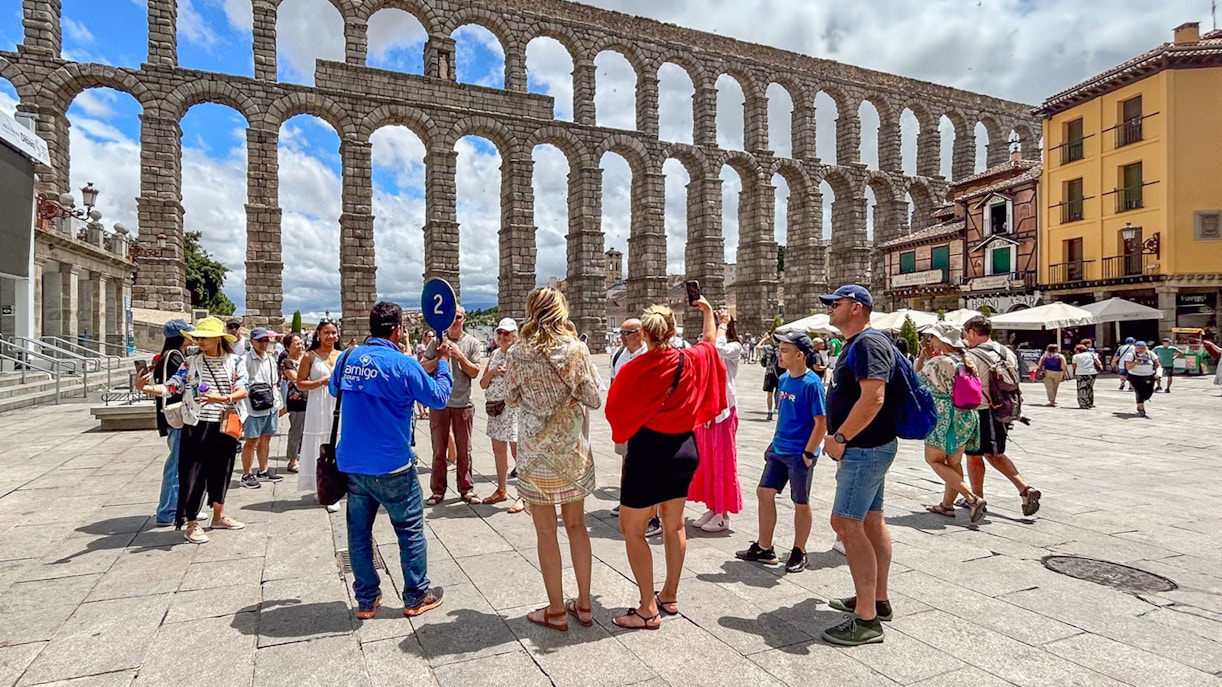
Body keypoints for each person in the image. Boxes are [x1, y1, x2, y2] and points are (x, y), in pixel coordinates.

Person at [605, 297, 725, 630]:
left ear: (643, 333)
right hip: (684, 448)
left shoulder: (635, 368)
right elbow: (710, 343)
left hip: (648, 451)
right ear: (672, 331)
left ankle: (646, 608)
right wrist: (708, 313)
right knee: (675, 525)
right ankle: (669, 594)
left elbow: (615, 410)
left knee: (632, 529)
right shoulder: (691, 359)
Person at [331, 302, 452, 619]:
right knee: (409, 530)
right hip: (392, 464)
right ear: (398, 330)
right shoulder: (402, 364)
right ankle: (415, 595)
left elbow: (334, 391)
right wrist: (444, 364)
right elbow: (438, 397)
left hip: (353, 464)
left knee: (358, 535)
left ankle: (367, 601)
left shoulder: (347, 359)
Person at [503, 287, 603, 631]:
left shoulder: (516, 352)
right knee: (576, 526)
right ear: (561, 311)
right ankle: (586, 605)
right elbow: (593, 398)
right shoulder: (577, 349)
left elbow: (511, 398)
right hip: (571, 451)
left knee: (546, 532)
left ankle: (557, 610)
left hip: (534, 456)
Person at [816, 285, 898, 646]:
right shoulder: (858, 344)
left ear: (856, 308)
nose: (830, 309)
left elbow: (874, 397)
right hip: (871, 447)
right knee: (870, 520)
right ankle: (876, 601)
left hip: (863, 448)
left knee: (845, 523)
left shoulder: (868, 344)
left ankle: (866, 621)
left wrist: (841, 438)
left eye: (836, 304)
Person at [137, 317, 248, 544]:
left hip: (225, 423)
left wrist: (222, 398)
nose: (199, 341)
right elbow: (172, 386)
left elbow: (242, 390)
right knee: (193, 474)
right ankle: (191, 523)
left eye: (204, 337)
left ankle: (219, 515)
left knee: (222, 470)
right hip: (196, 424)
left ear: (218, 339)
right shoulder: (190, 362)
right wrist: (146, 388)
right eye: (197, 337)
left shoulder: (235, 361)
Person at [735, 330, 826, 573]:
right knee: (764, 492)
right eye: (779, 349)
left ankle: (799, 550)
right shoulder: (784, 379)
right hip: (778, 448)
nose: (779, 354)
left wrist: (809, 452)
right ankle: (765, 547)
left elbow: (821, 421)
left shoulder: (812, 384)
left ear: (800, 355)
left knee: (800, 501)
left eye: (784, 350)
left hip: (800, 453)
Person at [962, 316, 1042, 517]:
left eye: (966, 334)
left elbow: (970, 387)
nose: (966, 339)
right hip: (1005, 408)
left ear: (972, 332)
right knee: (994, 453)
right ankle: (1023, 490)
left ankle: (978, 498)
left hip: (982, 410)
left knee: (975, 456)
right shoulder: (1007, 351)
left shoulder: (972, 355)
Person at [914, 322, 985, 522]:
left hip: (944, 416)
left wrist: (922, 357)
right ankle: (947, 505)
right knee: (954, 462)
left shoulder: (939, 362)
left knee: (934, 460)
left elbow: (916, 380)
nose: (930, 341)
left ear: (942, 340)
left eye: (933, 337)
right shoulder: (965, 359)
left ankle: (972, 498)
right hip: (965, 416)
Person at [422, 306, 484, 505]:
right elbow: (423, 367)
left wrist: (458, 355)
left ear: (464, 318)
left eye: (458, 317)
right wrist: (440, 357)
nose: (454, 321)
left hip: (462, 402)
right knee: (439, 450)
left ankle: (466, 489)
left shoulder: (472, 343)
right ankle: (437, 491)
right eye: (452, 317)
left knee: (464, 449)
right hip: (439, 402)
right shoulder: (436, 341)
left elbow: (474, 372)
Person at [688, 310, 744, 533]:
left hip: (724, 411)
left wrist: (719, 322)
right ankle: (713, 506)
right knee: (708, 461)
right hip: (708, 410)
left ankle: (723, 513)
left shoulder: (734, 347)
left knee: (722, 460)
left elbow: (717, 347)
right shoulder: (713, 344)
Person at [608, 318, 657, 534]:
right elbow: (612, 384)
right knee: (626, 461)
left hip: (646, 420)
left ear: (640, 333)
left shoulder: (650, 354)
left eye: (626, 332)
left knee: (648, 466)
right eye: (621, 332)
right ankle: (627, 500)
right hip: (625, 420)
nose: (622, 336)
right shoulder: (618, 355)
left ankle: (653, 516)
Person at [297, 319, 342, 511]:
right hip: (318, 403)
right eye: (326, 332)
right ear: (318, 334)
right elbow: (300, 383)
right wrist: (321, 382)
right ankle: (321, 485)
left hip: (338, 403)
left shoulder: (341, 355)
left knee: (339, 441)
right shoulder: (309, 356)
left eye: (333, 332)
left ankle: (339, 483)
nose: (330, 336)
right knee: (319, 443)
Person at [480, 318, 524, 512]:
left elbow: (524, 383)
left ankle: (523, 495)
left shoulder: (520, 355)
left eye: (506, 333)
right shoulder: (495, 353)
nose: (502, 336)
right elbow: (482, 383)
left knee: (517, 452)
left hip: (513, 410)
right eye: (499, 332)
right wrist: (492, 372)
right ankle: (501, 489)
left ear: (515, 335)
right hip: (496, 409)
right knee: (498, 450)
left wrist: (508, 375)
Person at [152, 319, 192, 526]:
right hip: (177, 417)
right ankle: (168, 511)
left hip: (176, 416)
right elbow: (180, 385)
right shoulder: (174, 357)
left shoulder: (171, 355)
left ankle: (181, 509)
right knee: (177, 465)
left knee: (181, 465)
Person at [238, 328, 284, 489]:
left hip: (270, 403)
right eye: (260, 340)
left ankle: (263, 469)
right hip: (253, 405)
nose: (264, 343)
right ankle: (247, 473)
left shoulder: (270, 359)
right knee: (251, 440)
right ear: (252, 341)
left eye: (266, 340)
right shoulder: (245, 360)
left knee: (266, 438)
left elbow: (274, 380)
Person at [279, 333, 307, 473]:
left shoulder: (306, 358)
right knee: (296, 430)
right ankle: (292, 460)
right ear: (287, 346)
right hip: (296, 401)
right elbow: (297, 380)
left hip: (310, 400)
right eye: (296, 343)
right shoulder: (287, 362)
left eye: (300, 342)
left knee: (307, 432)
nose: (300, 345)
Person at [1121, 340, 1159, 417]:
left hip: (1149, 375)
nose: (1140, 350)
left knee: (1149, 392)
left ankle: (1141, 402)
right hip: (1135, 376)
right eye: (1138, 348)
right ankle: (1141, 408)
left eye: (1142, 348)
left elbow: (1157, 365)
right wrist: (1135, 363)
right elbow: (1127, 367)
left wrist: (1158, 373)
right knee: (1139, 391)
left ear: (1146, 348)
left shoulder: (1151, 354)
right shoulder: (1131, 355)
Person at [1070, 344, 1102, 409]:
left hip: (1081, 373)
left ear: (1077, 350)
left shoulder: (1075, 356)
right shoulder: (1091, 354)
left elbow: (1074, 366)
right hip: (1092, 372)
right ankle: (1090, 403)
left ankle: (1083, 403)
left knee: (1081, 388)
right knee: (1089, 387)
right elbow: (1098, 362)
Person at [760, 336, 781, 420]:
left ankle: (769, 412)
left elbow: (757, 347)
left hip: (770, 373)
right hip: (780, 373)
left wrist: (764, 339)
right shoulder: (782, 349)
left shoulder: (768, 348)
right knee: (779, 392)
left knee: (769, 393)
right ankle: (777, 409)